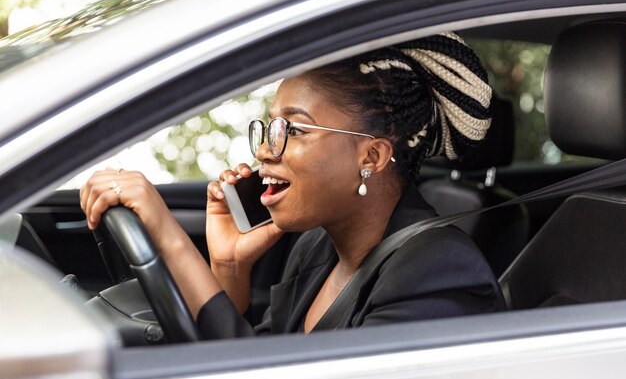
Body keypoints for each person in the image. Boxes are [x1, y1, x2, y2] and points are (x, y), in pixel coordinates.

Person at [80, 32, 506, 340]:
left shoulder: (437, 271)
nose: (266, 148)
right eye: (269, 127)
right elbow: (265, 360)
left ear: (371, 157)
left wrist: (171, 241)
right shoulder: (317, 247)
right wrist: (229, 268)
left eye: (295, 130)